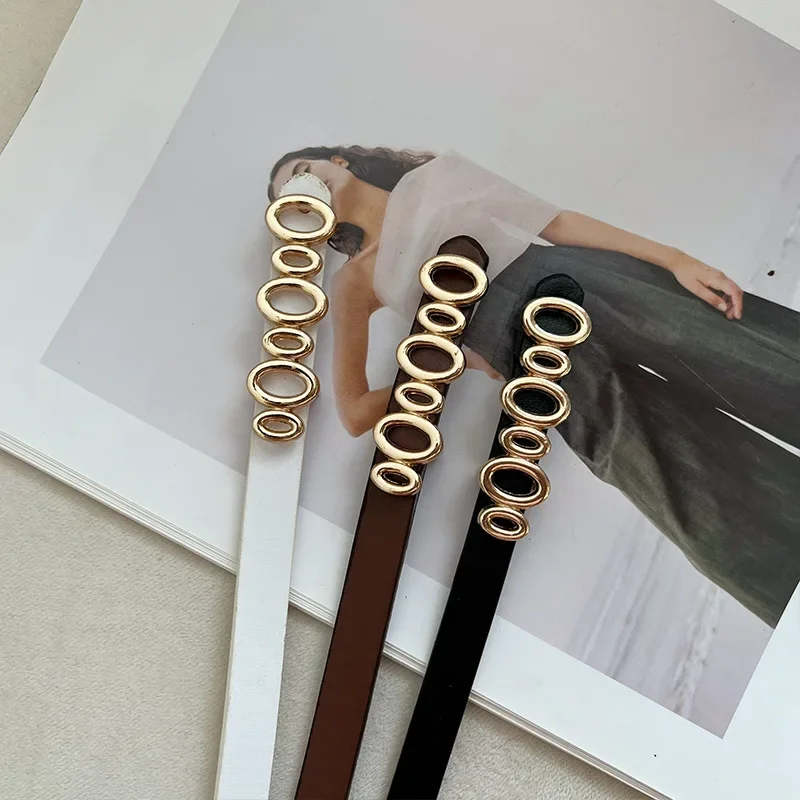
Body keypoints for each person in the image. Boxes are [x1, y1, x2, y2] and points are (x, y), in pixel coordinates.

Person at [269, 146, 800, 626]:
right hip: (531, 361)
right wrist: (455, 362)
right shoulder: (353, 281)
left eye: (301, 170)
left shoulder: (437, 175)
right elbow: (355, 412)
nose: (303, 186)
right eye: (290, 195)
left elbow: (559, 223)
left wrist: (675, 259)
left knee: (759, 362)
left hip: (587, 282)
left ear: (337, 161)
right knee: (688, 493)